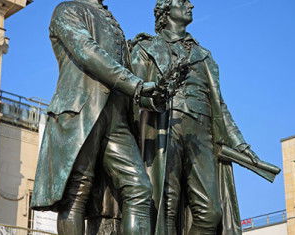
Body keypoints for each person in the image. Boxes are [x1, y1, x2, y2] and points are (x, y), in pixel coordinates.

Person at [31, 0, 162, 234]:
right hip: (80, 109)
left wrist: (148, 96)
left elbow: (125, 70)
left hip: (117, 117)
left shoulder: (111, 21)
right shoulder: (68, 10)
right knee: (77, 191)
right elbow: (88, 53)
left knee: (139, 188)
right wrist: (135, 85)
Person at [130, 0, 261, 234]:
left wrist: (240, 143)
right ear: (166, 10)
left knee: (211, 213)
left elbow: (219, 105)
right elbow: (133, 93)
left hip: (202, 132)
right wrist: (156, 97)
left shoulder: (204, 55)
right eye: (183, 1)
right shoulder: (145, 48)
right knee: (166, 206)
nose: (191, 5)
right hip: (164, 125)